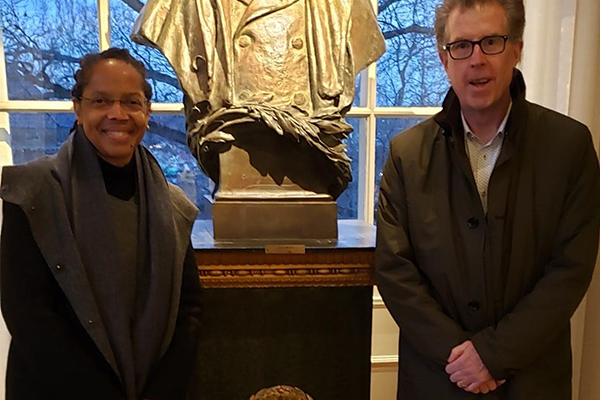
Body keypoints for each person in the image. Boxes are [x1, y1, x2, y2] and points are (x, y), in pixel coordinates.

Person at [375, 0, 600, 399]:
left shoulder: (571, 147)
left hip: (532, 382)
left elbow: (570, 270)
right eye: (461, 46)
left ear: (517, 49)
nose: (476, 59)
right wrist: (464, 360)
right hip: (437, 381)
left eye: (491, 42)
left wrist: (492, 356)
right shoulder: (405, 156)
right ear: (445, 60)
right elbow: (396, 273)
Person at [0, 48, 201, 400]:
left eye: (131, 102)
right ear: (78, 108)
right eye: (101, 101)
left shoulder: (174, 207)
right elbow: (29, 313)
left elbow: (188, 313)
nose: (117, 114)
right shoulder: (31, 194)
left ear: (147, 111)